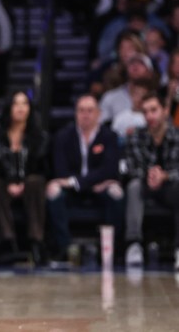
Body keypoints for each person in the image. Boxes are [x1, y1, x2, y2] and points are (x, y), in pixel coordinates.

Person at [47, 95, 123, 262]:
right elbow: (61, 171)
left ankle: (114, 250)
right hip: (74, 189)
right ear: (75, 113)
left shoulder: (109, 136)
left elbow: (109, 170)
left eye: (90, 110)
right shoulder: (63, 136)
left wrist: (79, 181)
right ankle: (64, 248)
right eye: (81, 110)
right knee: (52, 190)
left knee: (116, 191)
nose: (85, 114)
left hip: (99, 187)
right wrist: (80, 183)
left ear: (99, 114)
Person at [0, 92, 49, 264]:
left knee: (35, 182)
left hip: (30, 185)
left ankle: (36, 241)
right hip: (5, 185)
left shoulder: (39, 137)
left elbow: (42, 167)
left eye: (25, 104)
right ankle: (8, 241)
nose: (21, 108)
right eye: (16, 104)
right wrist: (9, 182)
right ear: (9, 108)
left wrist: (22, 183)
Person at [123, 92, 179, 270]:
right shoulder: (135, 136)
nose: (149, 116)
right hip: (145, 185)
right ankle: (134, 244)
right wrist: (150, 174)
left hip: (171, 187)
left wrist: (166, 176)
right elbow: (131, 167)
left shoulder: (177, 136)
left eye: (153, 110)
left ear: (165, 111)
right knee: (133, 186)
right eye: (145, 112)